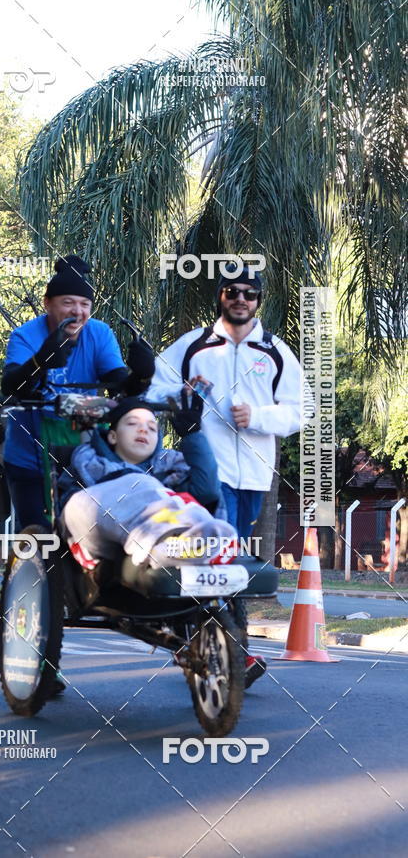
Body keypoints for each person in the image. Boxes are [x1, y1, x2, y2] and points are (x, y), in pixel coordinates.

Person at [146, 262, 303, 687]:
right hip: (207, 472)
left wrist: (258, 415)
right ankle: (234, 654)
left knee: (224, 560)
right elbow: (153, 388)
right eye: (232, 291)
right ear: (220, 296)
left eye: (249, 294)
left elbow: (298, 411)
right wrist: (182, 392)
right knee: (222, 557)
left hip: (254, 473)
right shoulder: (191, 346)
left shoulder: (274, 351)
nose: (240, 299)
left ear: (258, 301)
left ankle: (198, 642)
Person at [1, 255, 154, 531]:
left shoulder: (99, 333)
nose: (78, 311)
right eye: (68, 302)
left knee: (86, 530)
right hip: (29, 451)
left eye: (85, 304)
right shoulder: (24, 335)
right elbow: (11, 387)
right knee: (37, 534)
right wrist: (39, 362)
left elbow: (120, 387)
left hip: (79, 449)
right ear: (48, 304)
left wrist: (142, 376)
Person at [59, 396, 237, 568]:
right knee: (136, 483)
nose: (143, 430)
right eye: (132, 423)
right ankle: (169, 544)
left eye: (152, 428)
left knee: (178, 501)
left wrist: (192, 435)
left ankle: (202, 537)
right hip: (97, 539)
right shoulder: (86, 464)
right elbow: (71, 515)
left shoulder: (170, 470)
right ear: (113, 436)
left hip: (169, 530)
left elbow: (207, 491)